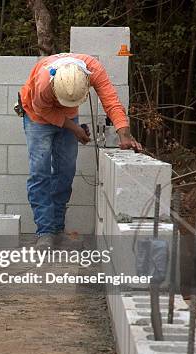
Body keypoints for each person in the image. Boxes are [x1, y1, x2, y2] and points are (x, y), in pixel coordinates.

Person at [19, 53, 142, 249]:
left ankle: (57, 230)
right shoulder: (43, 82)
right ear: (53, 84)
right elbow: (43, 110)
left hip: (68, 116)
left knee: (65, 172)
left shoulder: (94, 69)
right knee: (40, 173)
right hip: (37, 117)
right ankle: (45, 232)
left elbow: (111, 102)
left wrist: (124, 135)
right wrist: (75, 129)